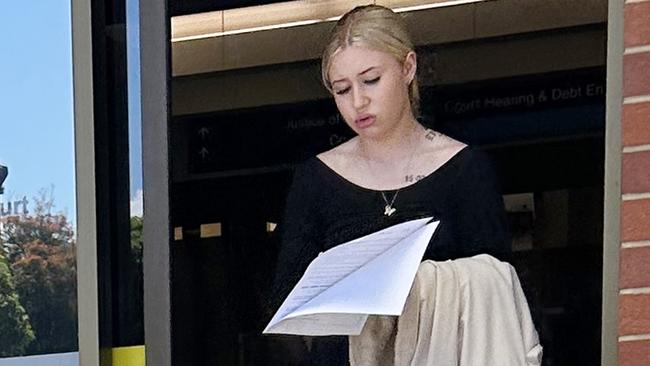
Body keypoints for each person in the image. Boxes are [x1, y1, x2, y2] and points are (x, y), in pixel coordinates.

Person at [268, 4, 511, 365]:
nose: (358, 102)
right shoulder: (316, 178)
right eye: (342, 89)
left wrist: (415, 283)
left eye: (371, 80)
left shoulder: (464, 167)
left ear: (407, 67)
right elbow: (287, 309)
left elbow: (497, 285)